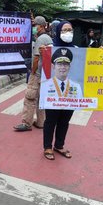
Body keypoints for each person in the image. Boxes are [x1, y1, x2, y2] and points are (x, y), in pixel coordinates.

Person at [42, 21, 79, 161]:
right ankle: (47, 146)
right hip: (52, 92)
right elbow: (44, 68)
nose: (68, 32)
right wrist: (42, 54)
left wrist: (99, 52)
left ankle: (59, 145)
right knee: (50, 120)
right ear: (58, 31)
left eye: (70, 29)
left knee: (65, 120)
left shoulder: (76, 48)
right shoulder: (49, 47)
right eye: (64, 30)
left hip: (70, 92)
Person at [14, 16, 52, 131]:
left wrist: (33, 72)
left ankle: (26, 123)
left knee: (30, 98)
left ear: (40, 26)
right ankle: (41, 122)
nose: (33, 28)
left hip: (37, 74)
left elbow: (36, 58)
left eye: (34, 25)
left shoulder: (41, 39)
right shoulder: (48, 38)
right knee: (41, 99)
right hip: (45, 74)